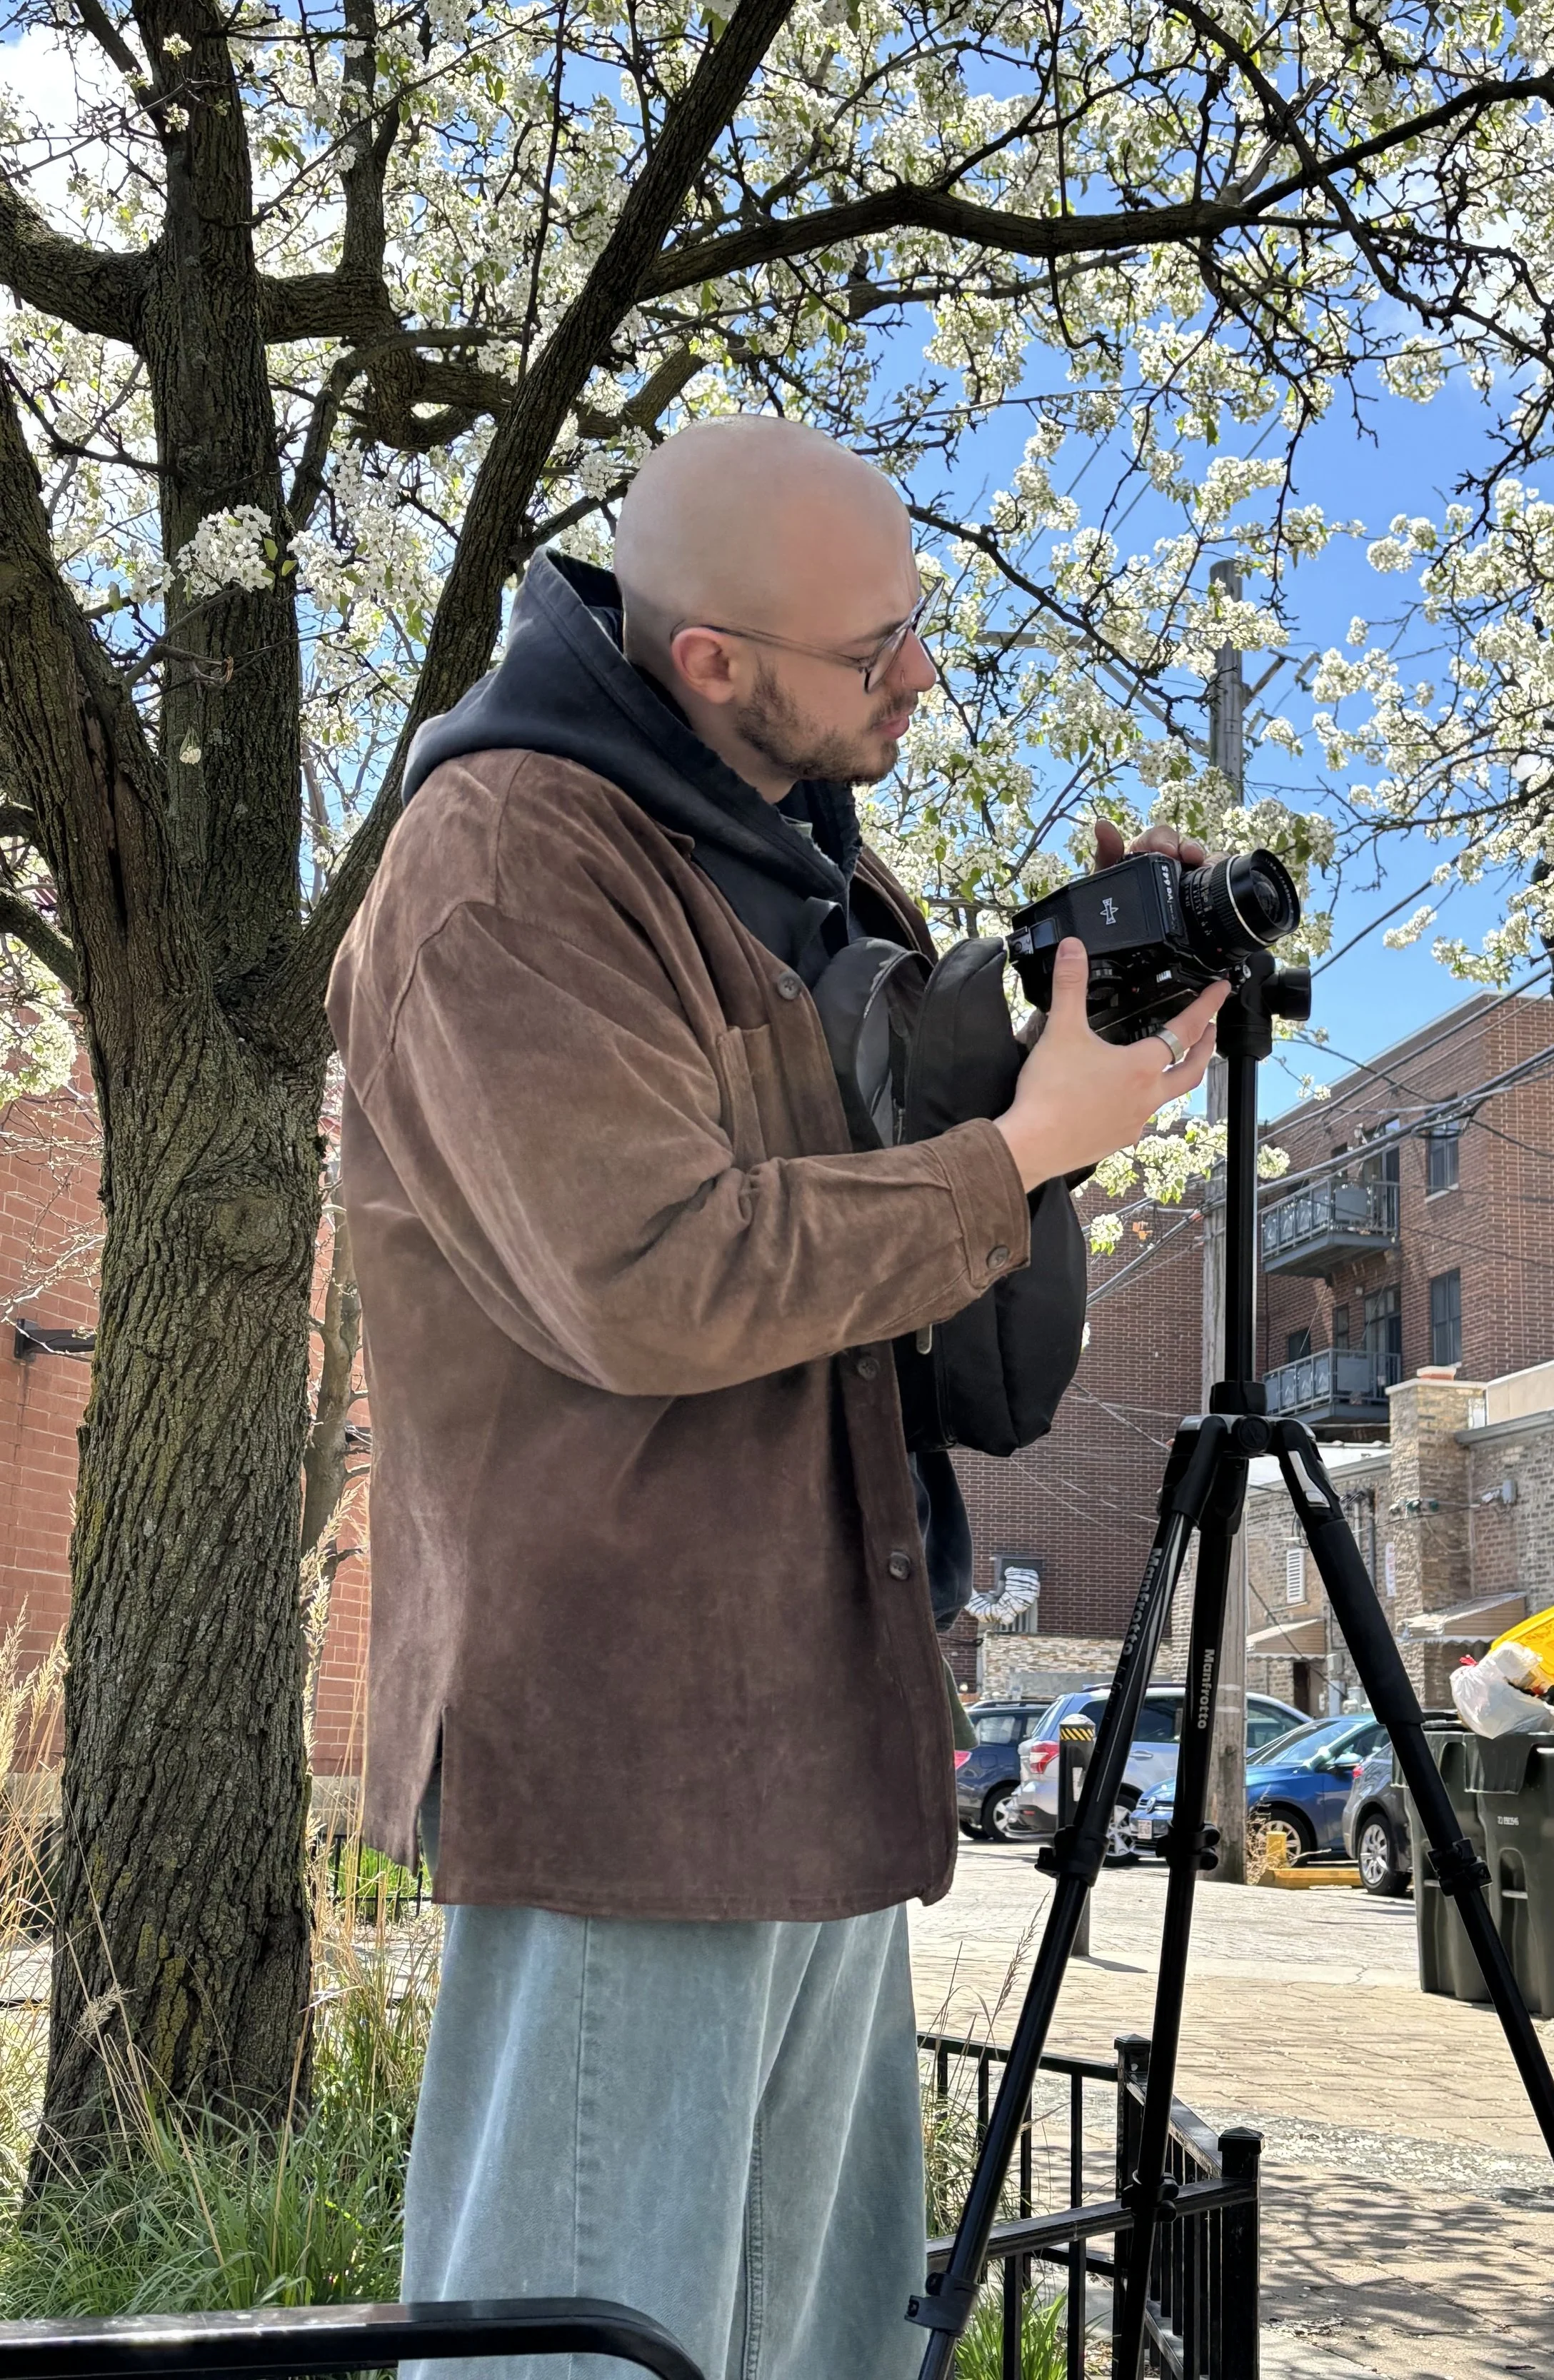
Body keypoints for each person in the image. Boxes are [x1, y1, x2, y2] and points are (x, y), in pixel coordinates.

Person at [326, 415, 1225, 2380]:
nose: (919, 676)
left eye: (914, 624)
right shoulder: (504, 864)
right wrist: (1000, 1164)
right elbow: (649, 1271)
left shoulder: (806, 856)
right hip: (632, 1758)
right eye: (870, 650)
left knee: (815, 2345)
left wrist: (1057, 1057)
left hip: (828, 1727)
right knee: (585, 2355)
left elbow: (942, 1319)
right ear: (708, 661)